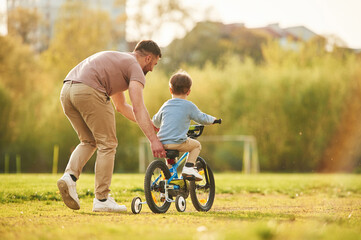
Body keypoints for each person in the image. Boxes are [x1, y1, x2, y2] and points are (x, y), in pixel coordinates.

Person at [57, 40, 166, 213]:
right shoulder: (135, 68)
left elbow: (122, 107)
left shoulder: (119, 62)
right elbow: (138, 107)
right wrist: (154, 140)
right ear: (148, 58)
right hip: (90, 90)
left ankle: (69, 177)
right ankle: (102, 199)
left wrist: (151, 126)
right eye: (154, 64)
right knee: (108, 144)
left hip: (67, 91)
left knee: (89, 141)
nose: (152, 69)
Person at [152, 70, 217, 181]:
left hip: (162, 143)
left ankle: (166, 188)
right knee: (196, 145)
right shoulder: (188, 106)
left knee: (170, 164)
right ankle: (189, 168)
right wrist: (213, 120)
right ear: (188, 91)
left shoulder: (166, 105)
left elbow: (155, 121)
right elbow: (201, 118)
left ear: (170, 90)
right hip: (178, 142)